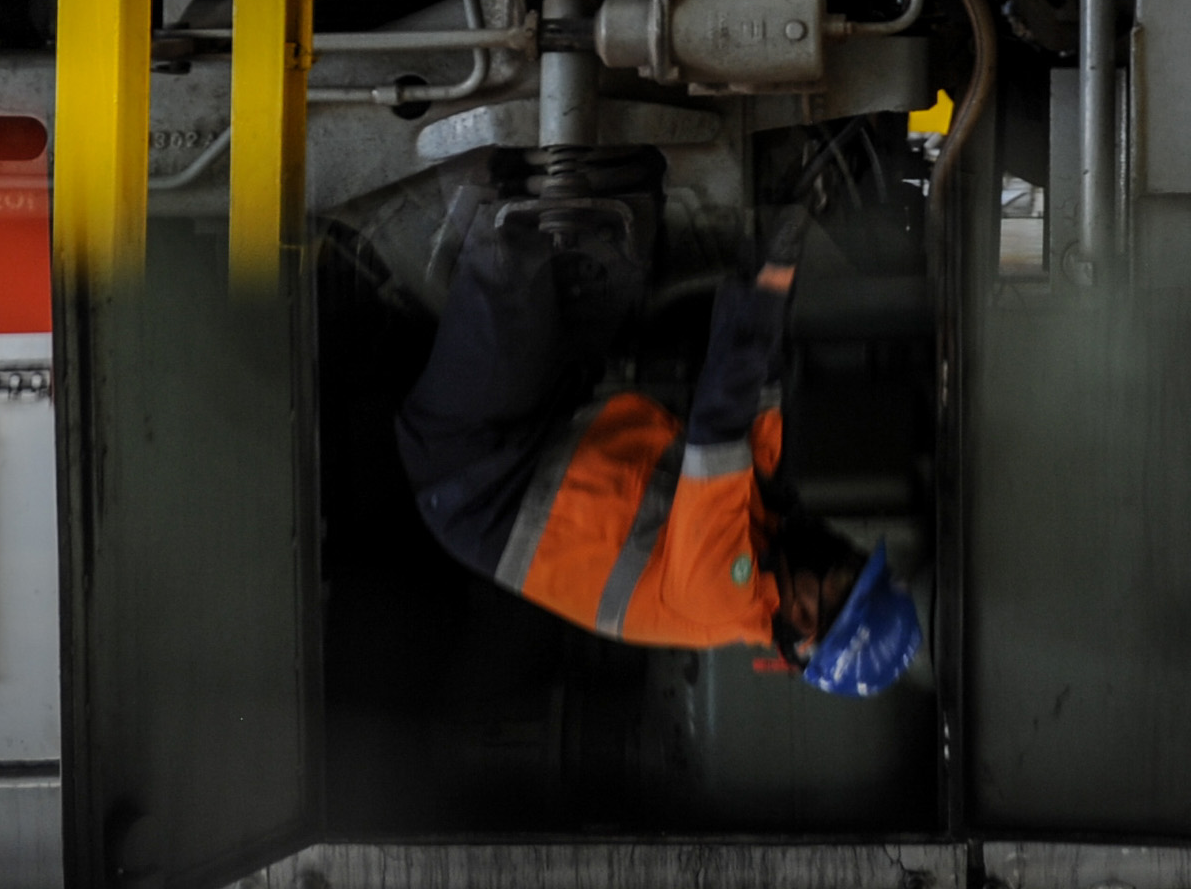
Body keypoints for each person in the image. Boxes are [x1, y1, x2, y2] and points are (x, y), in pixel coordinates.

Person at [394, 160, 921, 694]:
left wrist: (775, 266)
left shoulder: (722, 595)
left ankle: (455, 157)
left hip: (474, 475)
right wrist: (778, 241)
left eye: (844, 578)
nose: (841, 554)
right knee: (597, 244)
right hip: (549, 430)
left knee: (509, 246)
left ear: (807, 618)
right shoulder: (768, 529)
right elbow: (760, 383)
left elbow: (720, 423)